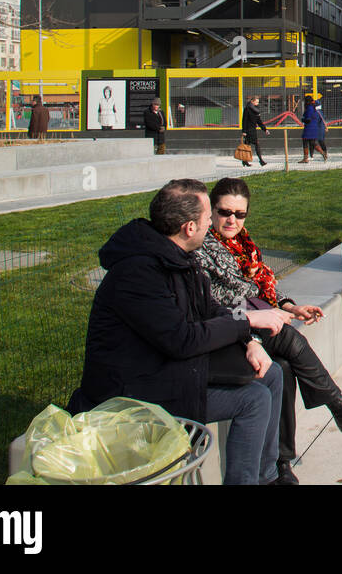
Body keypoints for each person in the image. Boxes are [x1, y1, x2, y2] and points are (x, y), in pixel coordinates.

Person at [68, 179, 286, 485]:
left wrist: (248, 340)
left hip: (167, 371)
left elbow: (209, 310)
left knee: (272, 373)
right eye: (209, 216)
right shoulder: (139, 272)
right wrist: (248, 322)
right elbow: (182, 340)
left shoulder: (177, 257)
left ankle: (268, 477)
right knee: (253, 399)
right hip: (132, 396)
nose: (212, 222)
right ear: (189, 228)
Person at [195, 177, 342, 485]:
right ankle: (339, 407)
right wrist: (260, 323)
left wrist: (289, 307)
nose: (232, 220)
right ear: (211, 212)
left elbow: (262, 287)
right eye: (224, 212)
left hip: (249, 322)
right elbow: (223, 303)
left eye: (239, 214)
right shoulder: (205, 247)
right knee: (286, 340)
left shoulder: (243, 244)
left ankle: (280, 464)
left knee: (282, 367)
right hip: (227, 333)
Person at [241, 95, 268, 167]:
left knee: (247, 146)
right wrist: (244, 131)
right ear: (252, 101)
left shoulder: (256, 110)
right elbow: (244, 120)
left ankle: (245, 161)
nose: (258, 103)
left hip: (253, 129)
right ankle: (261, 160)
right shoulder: (247, 109)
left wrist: (264, 129)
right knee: (256, 144)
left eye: (258, 102)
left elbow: (259, 121)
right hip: (248, 130)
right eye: (256, 102)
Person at [300, 94, 326, 163]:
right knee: (313, 143)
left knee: (305, 142)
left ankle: (305, 158)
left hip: (309, 128)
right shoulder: (314, 108)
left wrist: (303, 119)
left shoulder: (309, 108)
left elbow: (308, 119)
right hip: (315, 128)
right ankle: (323, 153)